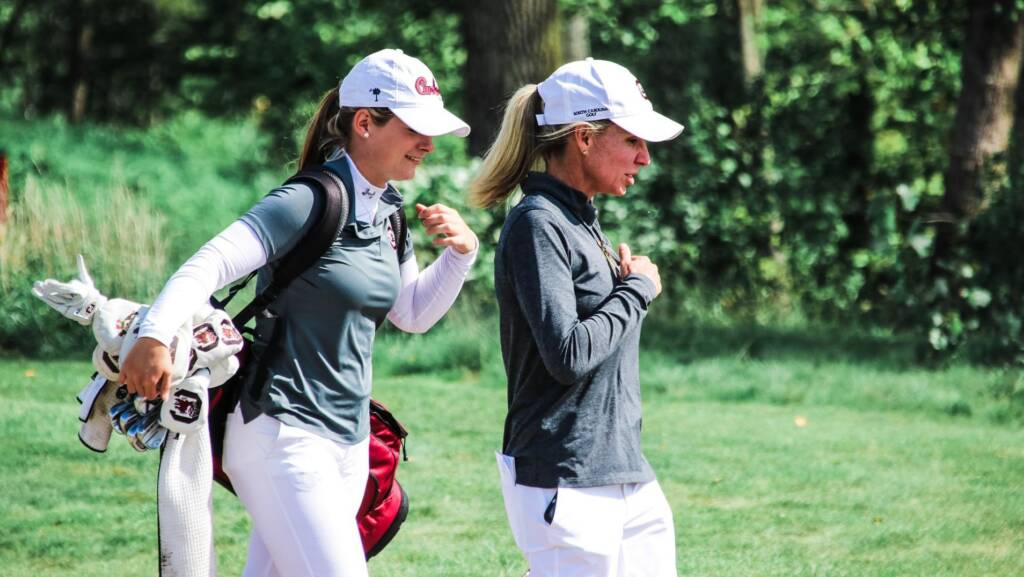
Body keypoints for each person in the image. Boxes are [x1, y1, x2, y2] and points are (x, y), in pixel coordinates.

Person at [120, 48, 478, 577]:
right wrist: (152, 336)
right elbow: (207, 266)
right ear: (364, 123)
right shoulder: (310, 199)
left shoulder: (388, 209)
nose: (429, 144)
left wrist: (460, 256)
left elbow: (410, 314)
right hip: (282, 436)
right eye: (414, 128)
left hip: (349, 442)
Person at [468, 57, 684, 577]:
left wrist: (627, 291)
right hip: (565, 478)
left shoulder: (580, 220)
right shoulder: (538, 224)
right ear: (584, 138)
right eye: (633, 141)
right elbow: (568, 355)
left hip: (624, 471)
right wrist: (636, 291)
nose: (645, 158)